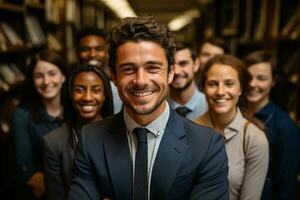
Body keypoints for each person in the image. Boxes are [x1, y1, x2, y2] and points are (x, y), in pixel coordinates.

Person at [68, 16, 229, 200]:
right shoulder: (91, 140)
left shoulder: (207, 146)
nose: (141, 81)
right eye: (128, 69)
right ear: (113, 75)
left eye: (152, 68)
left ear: (170, 73)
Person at [194, 55, 269, 200]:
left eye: (229, 84)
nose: (220, 91)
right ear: (203, 88)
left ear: (240, 89)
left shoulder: (254, 139)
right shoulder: (187, 130)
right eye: (213, 84)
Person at [43, 64, 114, 200]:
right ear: (70, 94)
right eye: (79, 90)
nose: (87, 97)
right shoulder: (53, 142)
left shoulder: (124, 132)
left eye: (96, 90)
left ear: (105, 95)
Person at [12, 50, 67, 199]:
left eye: (52, 73)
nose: (46, 81)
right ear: (32, 80)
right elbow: (26, 168)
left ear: (63, 76)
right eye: (38, 76)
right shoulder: (21, 115)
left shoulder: (74, 109)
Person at [244, 50, 300, 200]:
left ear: (273, 81)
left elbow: (286, 185)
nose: (252, 84)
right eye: (248, 77)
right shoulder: (234, 113)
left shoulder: (285, 126)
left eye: (261, 78)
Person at [76, 27, 122, 113]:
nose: (92, 54)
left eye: (99, 49)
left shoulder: (117, 89)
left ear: (107, 52)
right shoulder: (68, 88)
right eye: (85, 49)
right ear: (77, 53)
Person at [168, 41, 208, 119]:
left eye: (183, 64)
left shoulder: (210, 106)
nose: (176, 71)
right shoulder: (156, 109)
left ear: (196, 64)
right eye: (170, 65)